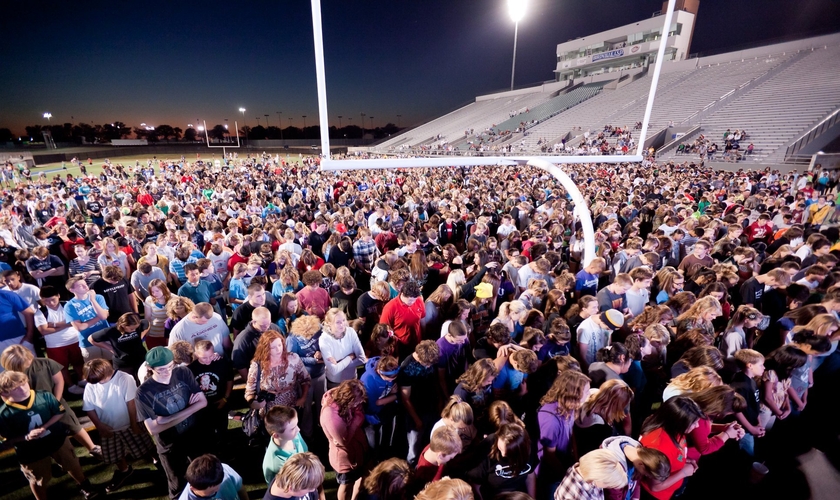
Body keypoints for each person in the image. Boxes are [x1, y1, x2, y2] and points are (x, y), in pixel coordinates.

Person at [0, 371, 99, 500]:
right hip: (31, 452)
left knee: (72, 464)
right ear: (4, 393)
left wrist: (44, 426)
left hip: (57, 440)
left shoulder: (44, 395)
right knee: (37, 479)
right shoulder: (4, 414)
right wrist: (26, 437)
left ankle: (84, 485)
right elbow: (6, 440)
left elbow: (59, 412)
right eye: (16, 388)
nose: (23, 388)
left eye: (23, 383)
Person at [135, 346, 208, 500]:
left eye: (170, 366)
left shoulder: (182, 372)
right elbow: (153, 429)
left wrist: (167, 419)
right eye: (161, 369)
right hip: (169, 445)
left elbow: (202, 402)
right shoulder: (143, 392)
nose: (167, 371)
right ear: (150, 368)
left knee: (203, 474)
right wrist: (191, 408)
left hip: (193, 434)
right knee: (177, 484)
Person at [0, 344, 100, 456]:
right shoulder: (7, 376)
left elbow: (59, 382)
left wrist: (55, 402)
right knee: (42, 436)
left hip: (54, 401)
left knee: (72, 425)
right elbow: (5, 395)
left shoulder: (45, 363)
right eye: (20, 362)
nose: (26, 362)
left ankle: (92, 448)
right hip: (28, 410)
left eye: (26, 359)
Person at [81, 358, 155, 494]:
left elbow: (131, 403)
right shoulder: (91, 384)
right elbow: (88, 408)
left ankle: (158, 461)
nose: (97, 383)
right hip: (108, 427)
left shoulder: (124, 378)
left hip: (129, 423)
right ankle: (125, 471)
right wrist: (100, 426)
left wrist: (134, 424)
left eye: (98, 379)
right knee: (114, 455)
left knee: (146, 446)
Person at [638, 397, 704, 500]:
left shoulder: (671, 427)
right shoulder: (658, 448)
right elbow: (655, 486)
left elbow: (672, 454)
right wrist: (684, 472)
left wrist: (683, 461)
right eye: (693, 422)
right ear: (678, 421)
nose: (697, 426)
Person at [537, 370, 591, 491]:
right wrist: (566, 477)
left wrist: (576, 461)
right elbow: (549, 455)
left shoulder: (570, 406)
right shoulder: (551, 420)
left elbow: (571, 433)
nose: (589, 395)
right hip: (551, 475)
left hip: (565, 463)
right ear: (574, 393)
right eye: (586, 391)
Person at [320, 379, 368, 500]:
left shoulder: (345, 401)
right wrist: (357, 420)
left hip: (358, 448)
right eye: (357, 401)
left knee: (361, 475)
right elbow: (344, 441)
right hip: (344, 457)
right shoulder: (330, 414)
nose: (360, 403)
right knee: (346, 484)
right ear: (348, 399)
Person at [34, 285, 86, 393]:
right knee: (61, 368)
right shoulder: (40, 312)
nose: (51, 303)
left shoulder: (68, 305)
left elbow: (79, 320)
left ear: (58, 296)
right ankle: (71, 386)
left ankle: (82, 380)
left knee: (79, 362)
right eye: (46, 301)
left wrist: (53, 324)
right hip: (55, 345)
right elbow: (43, 331)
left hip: (74, 339)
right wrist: (68, 323)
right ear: (42, 300)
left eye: (53, 299)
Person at [464, 422, 536, 498]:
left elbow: (530, 473)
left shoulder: (528, 447)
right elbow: (475, 484)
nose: (503, 454)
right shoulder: (487, 446)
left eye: (509, 452)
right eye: (501, 449)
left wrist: (532, 498)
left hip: (519, 496)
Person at [398, 340, 441, 465]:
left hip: (431, 407)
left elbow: (435, 381)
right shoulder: (406, 368)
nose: (429, 366)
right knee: (414, 448)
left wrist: (440, 400)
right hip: (416, 412)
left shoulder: (430, 358)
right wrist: (417, 420)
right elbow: (405, 398)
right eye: (427, 364)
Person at [245, 330, 311, 411]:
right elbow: (249, 391)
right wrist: (255, 403)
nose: (278, 349)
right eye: (273, 347)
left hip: (292, 408)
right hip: (268, 411)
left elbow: (306, 379)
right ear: (265, 349)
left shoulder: (293, 358)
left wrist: (303, 398)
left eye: (280, 345)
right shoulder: (257, 365)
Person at [285, 315, 326, 438]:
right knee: (306, 408)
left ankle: (324, 429)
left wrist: (321, 352)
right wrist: (312, 360)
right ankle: (308, 434)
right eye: (306, 336)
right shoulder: (292, 338)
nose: (309, 337)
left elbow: (327, 344)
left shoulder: (319, 329)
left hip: (320, 374)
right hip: (304, 379)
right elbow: (291, 358)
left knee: (322, 404)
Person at [189, 340, 233, 438]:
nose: (208, 360)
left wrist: (225, 398)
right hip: (201, 407)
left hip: (220, 403)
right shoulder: (191, 369)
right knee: (206, 434)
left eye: (211, 356)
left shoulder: (221, 362)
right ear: (196, 354)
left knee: (222, 431)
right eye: (204, 357)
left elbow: (229, 380)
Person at [554, 448, 629, 500]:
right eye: (609, 485)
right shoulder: (573, 496)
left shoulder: (587, 473)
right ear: (599, 478)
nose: (608, 487)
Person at [320, 308, 367, 388]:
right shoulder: (324, 339)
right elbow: (333, 371)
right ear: (329, 323)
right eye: (338, 322)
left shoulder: (351, 331)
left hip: (352, 379)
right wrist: (350, 357)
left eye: (344, 320)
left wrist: (340, 363)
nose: (342, 324)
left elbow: (362, 359)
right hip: (335, 383)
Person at [262, 405, 309, 485]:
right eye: (292, 428)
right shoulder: (277, 463)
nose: (298, 429)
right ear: (276, 435)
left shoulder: (292, 435)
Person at [380, 279, 426, 359]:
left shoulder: (418, 300)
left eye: (415, 299)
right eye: (411, 300)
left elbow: (422, 318)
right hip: (400, 346)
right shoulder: (390, 307)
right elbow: (384, 329)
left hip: (417, 343)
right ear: (402, 294)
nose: (413, 302)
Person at [178, 453, 248, 500]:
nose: (218, 489)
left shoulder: (223, 470)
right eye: (212, 491)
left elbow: (240, 488)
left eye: (219, 484)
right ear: (193, 488)